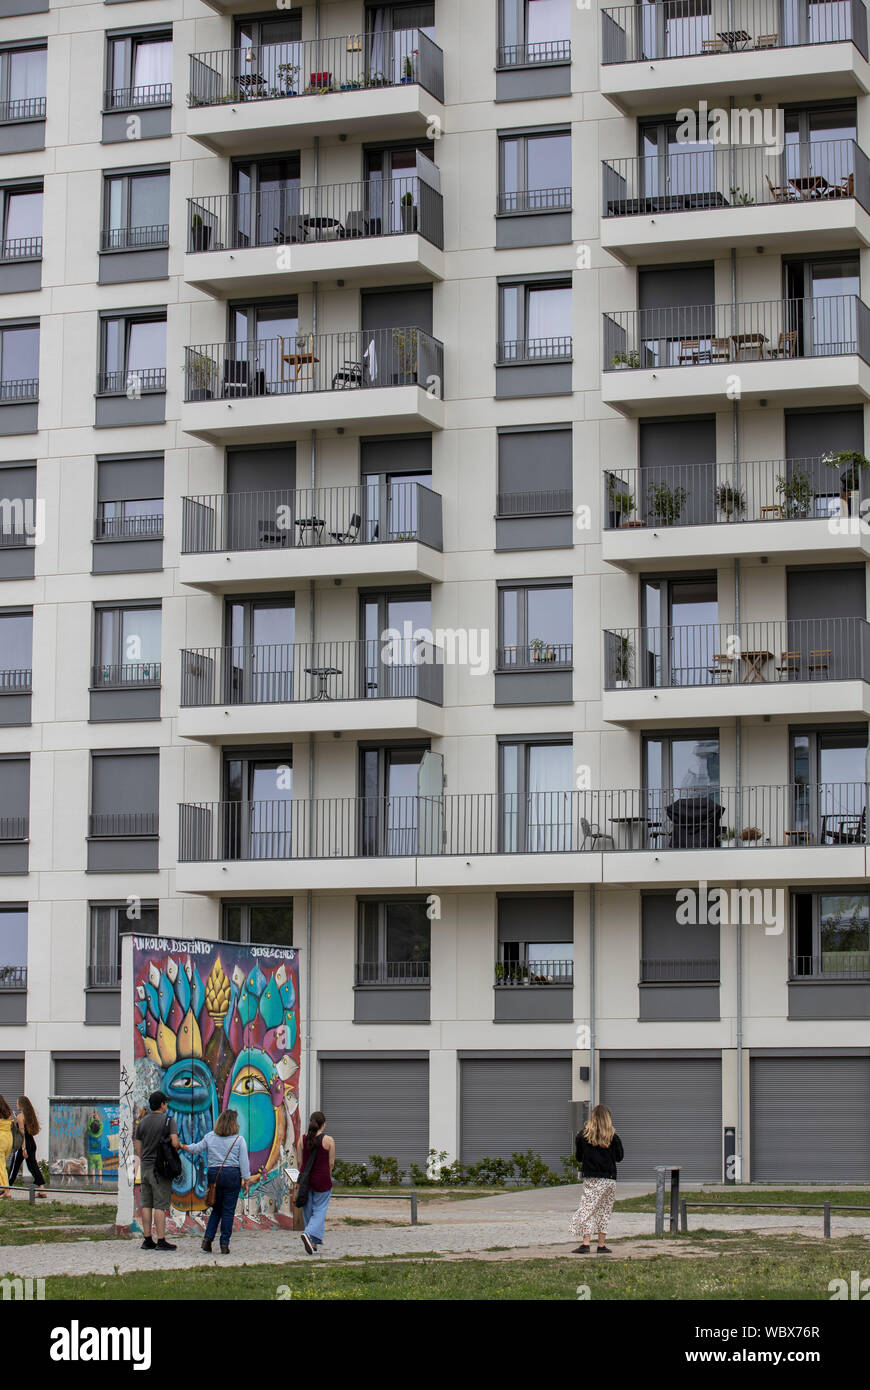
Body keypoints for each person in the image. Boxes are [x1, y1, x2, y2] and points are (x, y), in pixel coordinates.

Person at [180, 1108, 251, 1255]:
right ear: (234, 1123)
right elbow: (244, 1163)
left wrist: (182, 1146)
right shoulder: (239, 1140)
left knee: (216, 1210)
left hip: (214, 1175)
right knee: (228, 1211)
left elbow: (196, 1148)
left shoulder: (210, 1137)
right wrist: (246, 1180)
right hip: (232, 1175)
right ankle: (224, 1244)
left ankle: (207, 1239)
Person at [570, 1104, 624, 1255]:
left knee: (588, 1207)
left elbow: (579, 1157)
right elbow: (620, 1157)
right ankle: (601, 1244)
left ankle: (586, 1242)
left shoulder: (583, 1136)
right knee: (604, 1210)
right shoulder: (613, 1137)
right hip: (609, 1178)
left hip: (592, 1177)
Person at [133, 1090, 180, 1251]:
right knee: (160, 1205)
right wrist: (179, 1147)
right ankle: (161, 1240)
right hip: (160, 1169)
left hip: (145, 1167)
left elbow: (137, 1146)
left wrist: (145, 1158)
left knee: (146, 1204)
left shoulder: (142, 1122)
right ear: (161, 1105)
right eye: (165, 1102)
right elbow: (174, 1143)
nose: (166, 1105)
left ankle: (147, 1239)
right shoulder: (169, 1121)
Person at [295, 1110, 334, 1255]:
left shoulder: (302, 1139)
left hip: (306, 1180)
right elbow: (331, 1163)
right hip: (323, 1180)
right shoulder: (328, 1140)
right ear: (323, 1124)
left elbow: (300, 1162)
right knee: (320, 1211)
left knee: (308, 1210)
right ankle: (309, 1234)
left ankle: (313, 1242)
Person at [7, 1096, 47, 1196]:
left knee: (14, 1168)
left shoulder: (21, 1117)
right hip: (32, 1144)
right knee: (33, 1166)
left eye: (17, 1103)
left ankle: (6, 1189)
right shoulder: (30, 1116)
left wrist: (23, 1148)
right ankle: (42, 1189)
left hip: (23, 1145)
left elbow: (22, 1133)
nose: (16, 1105)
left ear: (21, 1104)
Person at [85, 1110, 104, 1186]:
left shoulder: (90, 1133)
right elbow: (101, 1125)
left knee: (92, 1169)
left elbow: (89, 1125)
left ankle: (92, 1181)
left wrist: (91, 1118)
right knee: (99, 1169)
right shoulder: (99, 1134)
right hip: (98, 1154)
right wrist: (97, 1119)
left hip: (91, 1154)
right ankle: (100, 1181)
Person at [0, 1095, 13, 1198]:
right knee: (1, 1164)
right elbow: (12, 1125)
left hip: (0, 1139)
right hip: (8, 1138)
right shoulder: (8, 1112)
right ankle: (3, 1189)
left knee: (1, 1166)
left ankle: (6, 1190)